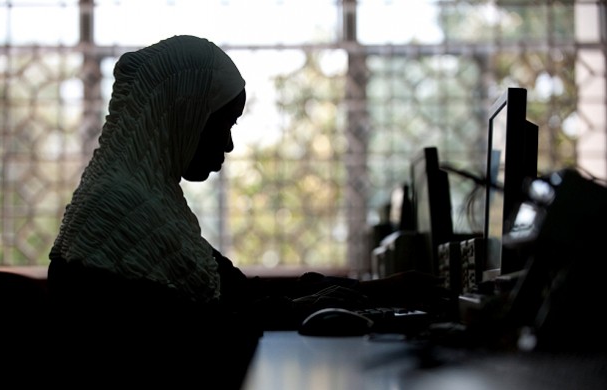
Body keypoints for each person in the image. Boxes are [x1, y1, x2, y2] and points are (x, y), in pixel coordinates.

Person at [47, 35, 441, 349]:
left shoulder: (150, 203)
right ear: (184, 112)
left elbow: (238, 292)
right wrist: (308, 307)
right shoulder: (121, 207)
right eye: (225, 123)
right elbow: (201, 330)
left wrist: (371, 291)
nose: (230, 144)